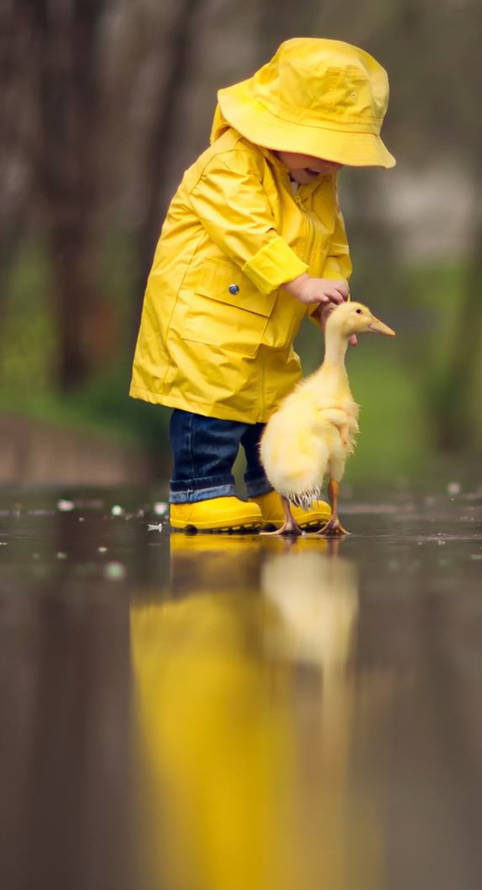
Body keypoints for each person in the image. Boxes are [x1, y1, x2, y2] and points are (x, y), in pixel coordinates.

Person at [130, 37, 395, 532]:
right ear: (275, 125)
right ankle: (197, 492)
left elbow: (332, 244)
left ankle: (280, 491)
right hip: (206, 320)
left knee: (276, 411)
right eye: (322, 149)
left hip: (271, 324)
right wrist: (298, 280)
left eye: (342, 155)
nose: (331, 165)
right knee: (211, 406)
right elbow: (248, 231)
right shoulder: (228, 164)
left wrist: (327, 301)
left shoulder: (315, 181)